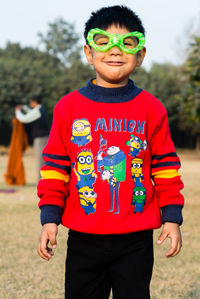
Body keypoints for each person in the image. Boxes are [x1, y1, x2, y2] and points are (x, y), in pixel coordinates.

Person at [37, 5, 184, 299]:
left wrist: (172, 216)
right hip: (83, 236)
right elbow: (55, 168)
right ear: (88, 52)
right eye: (103, 42)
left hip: (136, 239)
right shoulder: (68, 107)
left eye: (127, 43)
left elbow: (165, 167)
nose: (115, 51)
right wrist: (50, 218)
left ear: (140, 55)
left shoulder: (151, 109)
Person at [15, 96, 49, 181]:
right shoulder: (40, 109)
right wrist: (23, 108)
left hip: (41, 139)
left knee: (40, 160)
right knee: (42, 159)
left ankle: (41, 180)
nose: (30, 104)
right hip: (44, 138)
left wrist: (17, 111)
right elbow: (31, 112)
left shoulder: (37, 111)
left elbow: (24, 118)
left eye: (30, 103)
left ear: (34, 102)